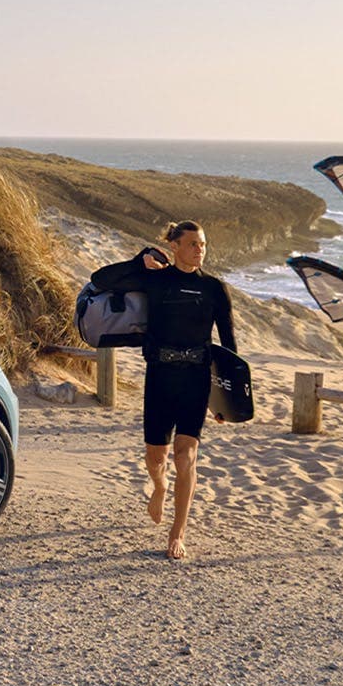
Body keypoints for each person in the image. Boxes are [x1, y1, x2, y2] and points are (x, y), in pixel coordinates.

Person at [91, 221, 236, 560]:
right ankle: (160, 486)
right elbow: (100, 279)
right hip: (159, 377)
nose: (200, 250)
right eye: (193, 244)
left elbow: (229, 346)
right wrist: (138, 262)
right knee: (156, 458)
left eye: (203, 244)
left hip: (196, 379)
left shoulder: (214, 288)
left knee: (186, 457)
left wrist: (225, 401)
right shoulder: (154, 280)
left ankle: (177, 532)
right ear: (175, 246)